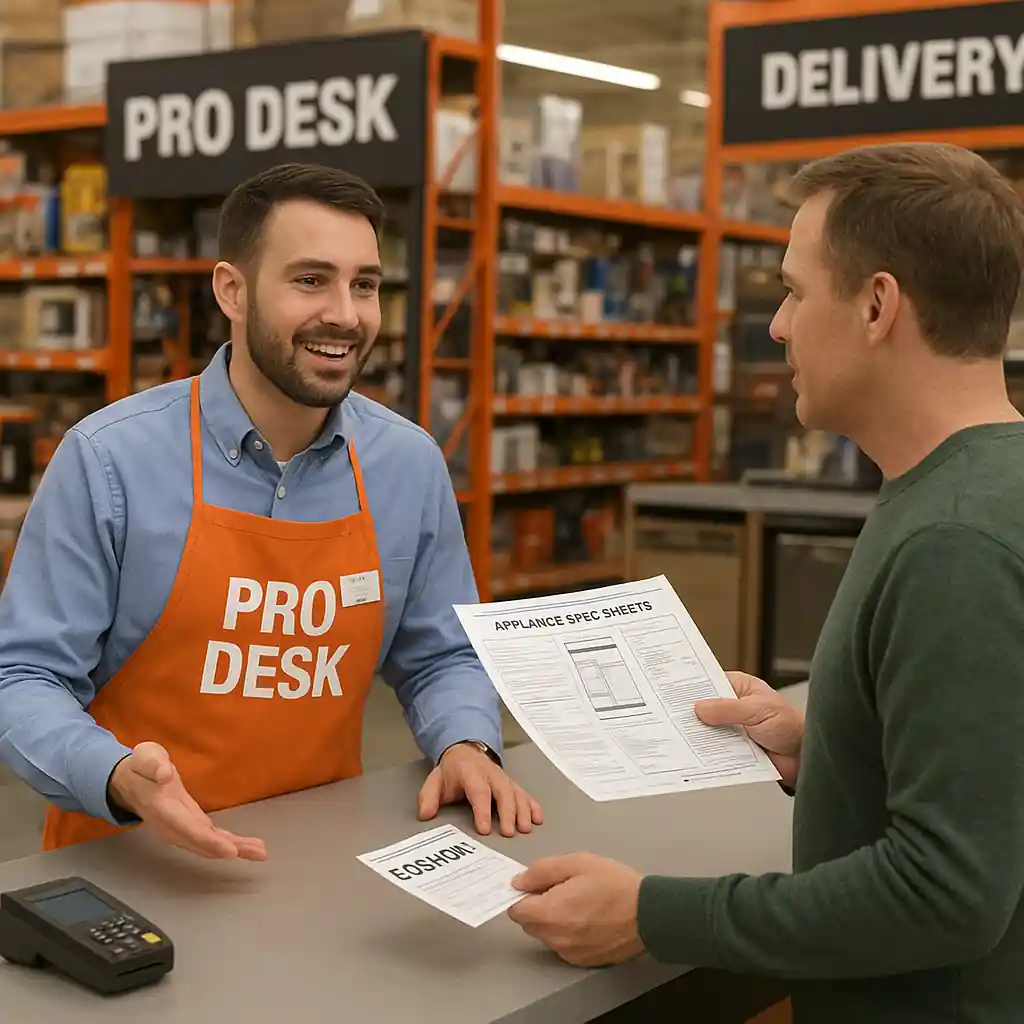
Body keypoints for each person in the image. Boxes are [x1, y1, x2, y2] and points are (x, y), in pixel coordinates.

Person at [505, 141, 1024, 1023]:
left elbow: (944, 893)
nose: (777, 326)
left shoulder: (953, 540)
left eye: (793, 290)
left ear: (876, 306)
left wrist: (650, 913)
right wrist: (826, 747)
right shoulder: (975, 488)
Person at [0, 162, 542, 862]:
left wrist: (466, 742)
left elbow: (439, 652)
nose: (345, 315)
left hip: (318, 862)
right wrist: (114, 775)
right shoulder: (110, 461)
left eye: (365, 285)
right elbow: (21, 677)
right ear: (233, 290)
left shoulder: (407, 466)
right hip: (130, 863)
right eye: (310, 280)